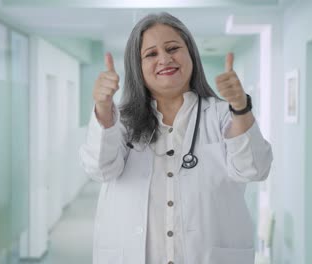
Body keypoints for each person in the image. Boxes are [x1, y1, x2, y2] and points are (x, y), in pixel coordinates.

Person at [80, 12, 273, 264]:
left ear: (191, 54)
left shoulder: (222, 114)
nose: (164, 59)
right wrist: (103, 106)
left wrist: (240, 106)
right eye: (151, 54)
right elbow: (100, 169)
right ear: (137, 67)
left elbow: (254, 169)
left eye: (173, 48)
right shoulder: (122, 121)